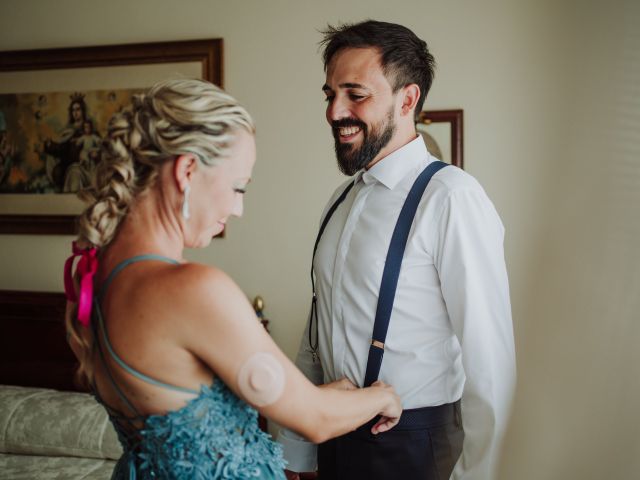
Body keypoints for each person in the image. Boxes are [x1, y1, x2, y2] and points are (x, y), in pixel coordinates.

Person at [63, 78, 402, 479]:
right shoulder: (190, 290)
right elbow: (313, 420)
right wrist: (382, 397)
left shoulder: (95, 280)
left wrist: (327, 395)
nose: (238, 208)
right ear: (187, 170)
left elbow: (191, 412)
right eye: (237, 186)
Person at [278, 21, 516, 480]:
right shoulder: (340, 202)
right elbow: (317, 331)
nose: (334, 111)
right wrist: (298, 453)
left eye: (355, 94)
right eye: (330, 94)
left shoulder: (450, 197)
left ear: (407, 100)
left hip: (416, 447)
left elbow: (490, 363)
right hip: (333, 438)